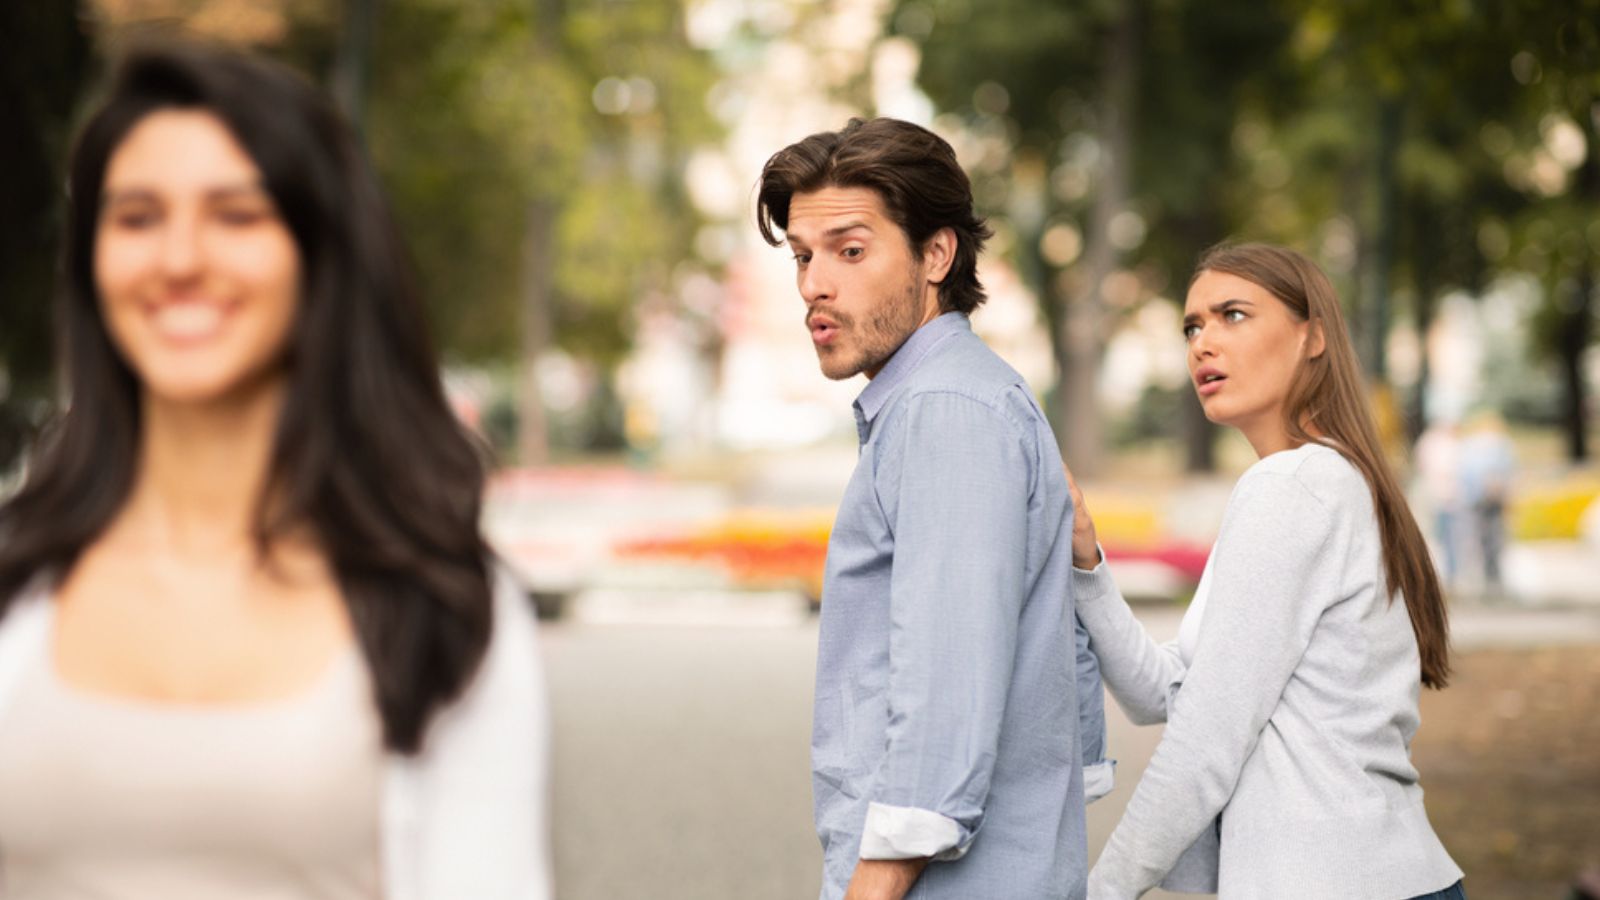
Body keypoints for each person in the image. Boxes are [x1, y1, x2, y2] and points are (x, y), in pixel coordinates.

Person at [0, 41, 551, 899]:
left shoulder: (442, 607)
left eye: (237, 215)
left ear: (319, 256)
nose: (179, 260)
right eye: (137, 216)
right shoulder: (17, 579)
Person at [756, 117, 1111, 900]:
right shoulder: (958, 398)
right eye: (804, 256)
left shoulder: (945, 412)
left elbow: (941, 719)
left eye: (850, 251)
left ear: (936, 255)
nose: (816, 283)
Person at [1065, 243, 1463, 900]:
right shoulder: (1321, 480)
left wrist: (1100, 891)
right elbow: (1166, 694)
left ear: (1314, 336)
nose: (1202, 343)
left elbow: (1203, 744)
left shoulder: (1293, 486)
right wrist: (1088, 563)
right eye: (1193, 325)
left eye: (1233, 315)